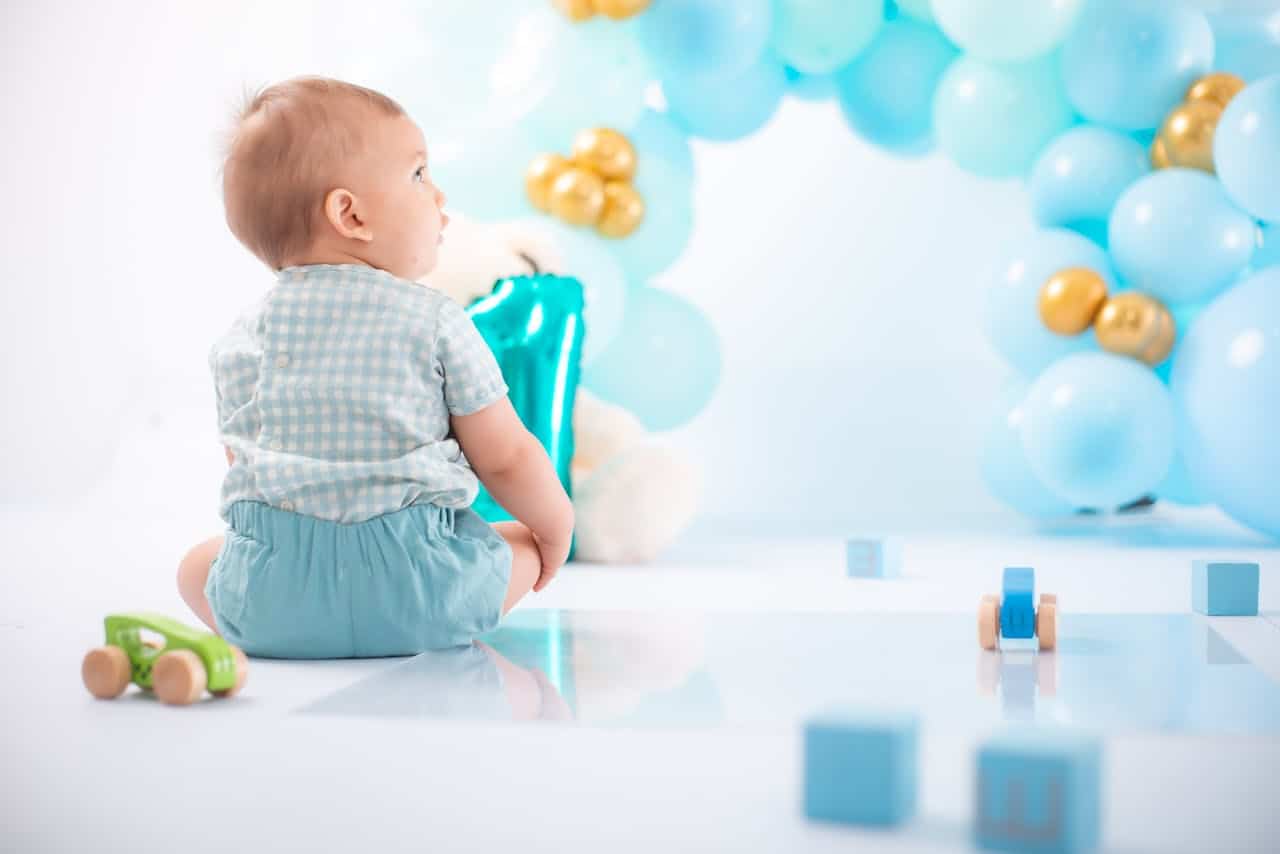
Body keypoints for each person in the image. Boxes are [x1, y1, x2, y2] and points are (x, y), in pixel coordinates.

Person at [175, 77, 574, 658]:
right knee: (521, 546)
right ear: (350, 214)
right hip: (422, 593)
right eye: (418, 175)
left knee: (196, 567)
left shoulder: (239, 342)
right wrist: (555, 526)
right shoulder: (437, 321)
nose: (438, 197)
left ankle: (291, 628)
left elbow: (247, 468)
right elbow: (507, 457)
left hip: (275, 598)